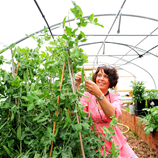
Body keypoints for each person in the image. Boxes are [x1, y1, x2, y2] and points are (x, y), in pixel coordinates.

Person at [75, 64, 138, 158]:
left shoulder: (115, 97)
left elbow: (112, 114)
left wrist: (98, 94)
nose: (101, 79)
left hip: (114, 141)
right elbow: (75, 112)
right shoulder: (87, 96)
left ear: (111, 82)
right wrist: (77, 84)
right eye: (99, 75)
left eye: (106, 76)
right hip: (94, 141)